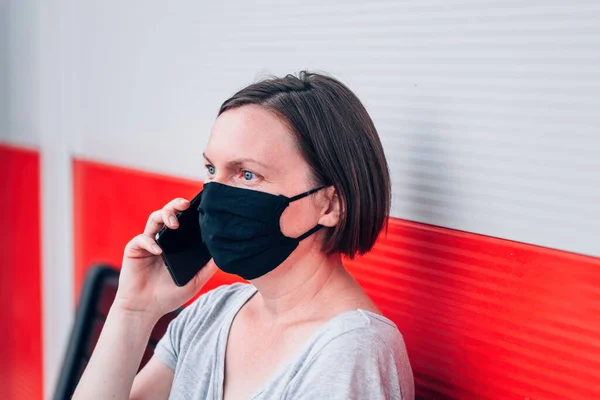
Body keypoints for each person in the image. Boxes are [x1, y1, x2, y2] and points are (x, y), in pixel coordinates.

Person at [73, 71, 414, 400]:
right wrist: (135, 311)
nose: (215, 195)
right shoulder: (213, 312)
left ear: (330, 204)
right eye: (211, 170)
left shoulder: (349, 353)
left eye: (247, 174)